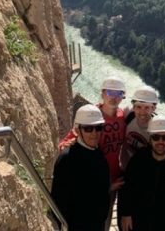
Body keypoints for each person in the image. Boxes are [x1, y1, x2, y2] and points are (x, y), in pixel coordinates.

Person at [58, 76, 126, 230]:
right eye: (110, 92)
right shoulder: (92, 117)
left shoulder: (123, 117)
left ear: (123, 97)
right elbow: (66, 142)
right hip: (92, 178)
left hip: (113, 176)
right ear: (102, 93)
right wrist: (66, 146)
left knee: (105, 216)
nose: (114, 98)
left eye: (119, 94)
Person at [51, 104, 109, 231]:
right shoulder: (66, 159)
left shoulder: (98, 153)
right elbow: (58, 200)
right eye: (88, 129)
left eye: (98, 128)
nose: (94, 133)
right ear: (77, 130)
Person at [119, 85, 165, 172]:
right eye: (138, 107)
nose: (142, 112)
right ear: (133, 107)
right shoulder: (128, 114)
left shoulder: (160, 125)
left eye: (147, 107)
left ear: (153, 108)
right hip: (126, 167)